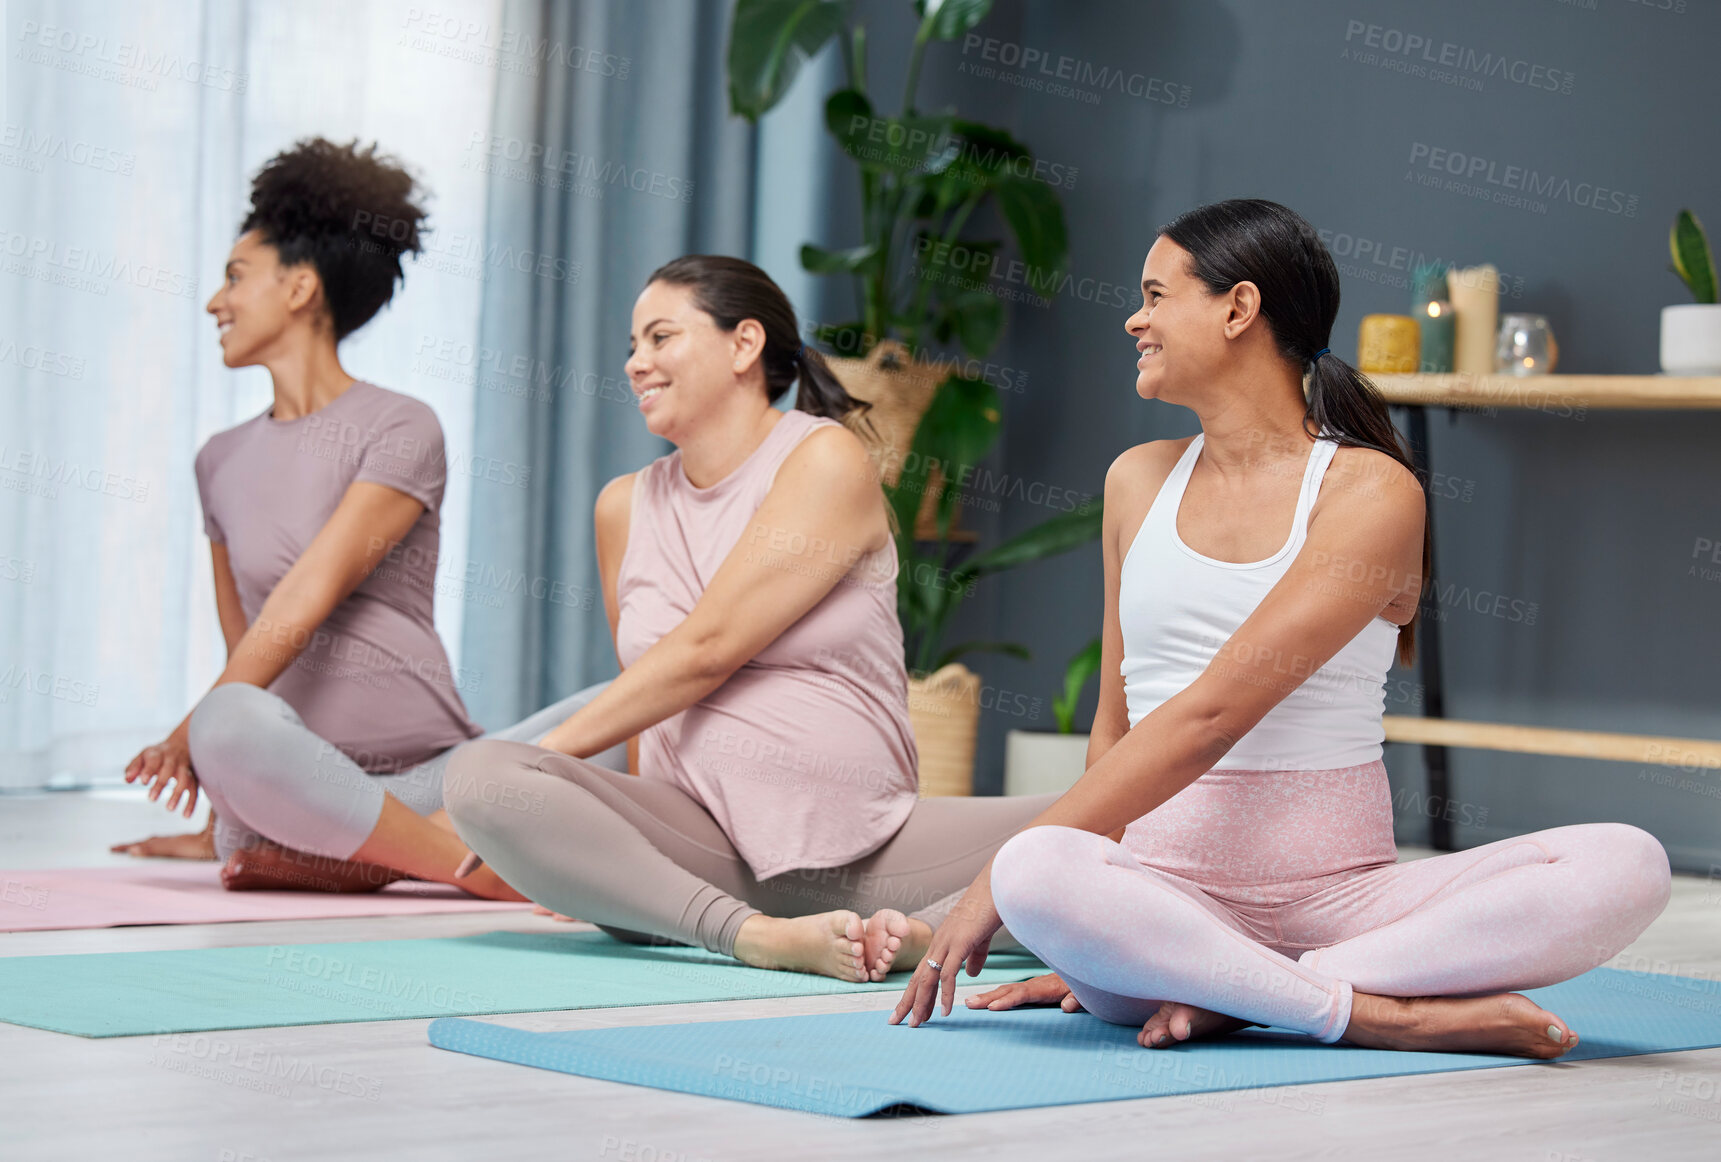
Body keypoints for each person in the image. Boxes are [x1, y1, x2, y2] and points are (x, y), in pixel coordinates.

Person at [889, 198, 1672, 1059]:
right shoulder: (1137, 480)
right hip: (1163, 904)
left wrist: (986, 890)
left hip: (1344, 906)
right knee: (1040, 870)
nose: (1133, 318)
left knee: (1627, 862)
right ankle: (1373, 1011)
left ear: (1238, 308)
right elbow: (1114, 721)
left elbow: (1212, 717)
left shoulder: (1370, 491)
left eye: (1154, 295)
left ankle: (1242, 991)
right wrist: (1081, 933)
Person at [443, 255, 1063, 981]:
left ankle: (932, 930)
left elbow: (707, 648)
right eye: (631, 346)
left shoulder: (823, 458)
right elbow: (647, 700)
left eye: (660, 337)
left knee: (1144, 812)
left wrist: (552, 757)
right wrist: (597, 851)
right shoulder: (622, 506)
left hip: (868, 851)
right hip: (696, 853)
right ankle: (748, 935)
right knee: (480, 776)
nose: (635, 363)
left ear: (744, 345)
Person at [116, 136, 622, 897]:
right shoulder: (217, 461)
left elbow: (309, 592)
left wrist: (190, 734)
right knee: (230, 720)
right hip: (300, 784)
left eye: (234, 277)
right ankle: (462, 866)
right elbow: (243, 649)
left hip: (440, 780)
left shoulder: (401, 426)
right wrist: (215, 787)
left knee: (638, 702)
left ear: (300, 289)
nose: (215, 302)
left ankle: (369, 854)